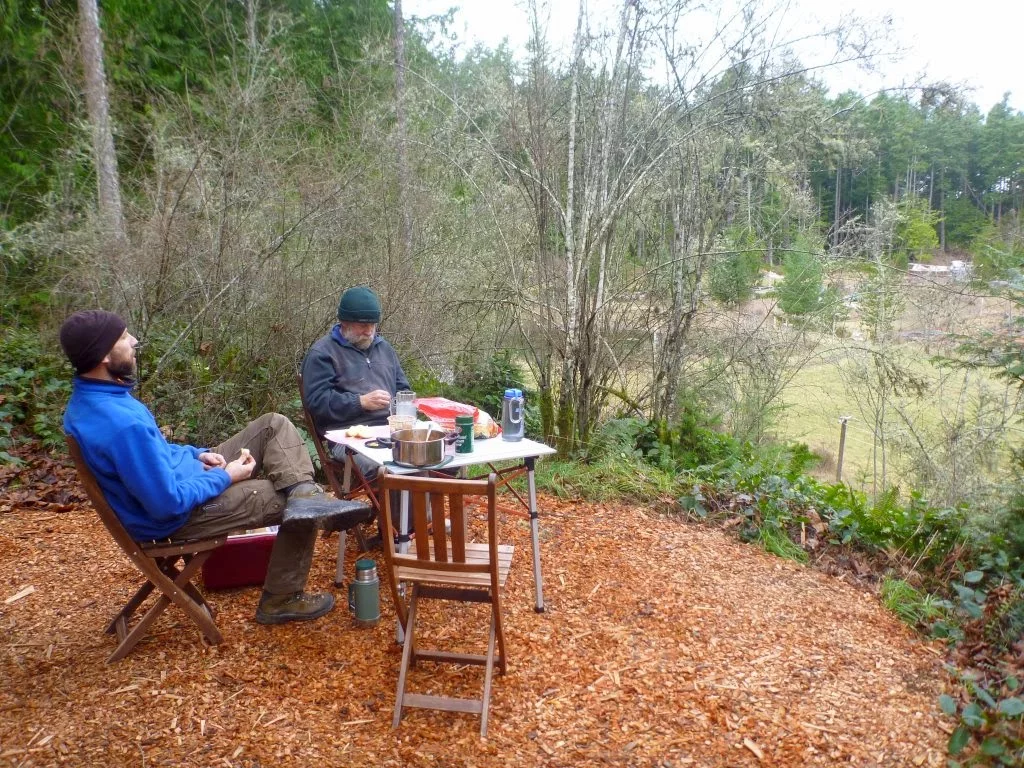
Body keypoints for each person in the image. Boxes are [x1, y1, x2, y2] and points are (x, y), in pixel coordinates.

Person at [60, 309, 354, 625]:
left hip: (187, 478)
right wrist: (224, 476)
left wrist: (197, 455)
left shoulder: (96, 400)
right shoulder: (121, 424)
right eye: (122, 337)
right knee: (289, 502)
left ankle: (306, 493)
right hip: (179, 517)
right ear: (103, 355)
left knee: (274, 424)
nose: (133, 341)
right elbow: (166, 503)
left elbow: (156, 452)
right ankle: (282, 598)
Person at [301, 285, 410, 479]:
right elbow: (317, 401)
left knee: (430, 456)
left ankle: (420, 500)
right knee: (389, 467)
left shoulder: (385, 349)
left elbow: (403, 390)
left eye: (372, 325)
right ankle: (394, 500)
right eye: (363, 326)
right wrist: (360, 402)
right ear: (344, 323)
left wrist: (404, 412)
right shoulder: (323, 353)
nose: (369, 331)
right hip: (347, 437)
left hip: (390, 431)